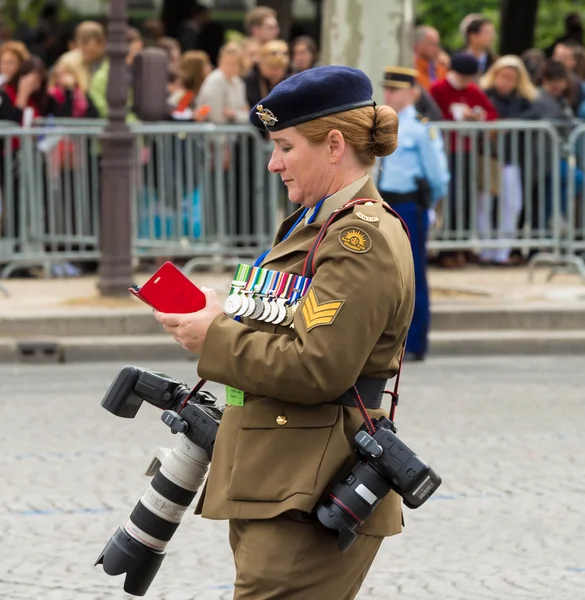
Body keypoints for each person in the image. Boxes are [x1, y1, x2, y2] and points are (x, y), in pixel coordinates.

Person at [154, 65, 415, 600]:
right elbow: (287, 319)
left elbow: (317, 365)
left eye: (285, 146)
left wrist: (214, 339)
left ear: (335, 145)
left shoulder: (356, 240)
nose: (274, 164)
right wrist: (219, 315)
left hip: (309, 485)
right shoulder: (316, 223)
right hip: (280, 477)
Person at [377, 67, 449, 361]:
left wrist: (426, 206)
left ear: (413, 93)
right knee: (385, 274)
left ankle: (415, 342)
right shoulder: (382, 123)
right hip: (386, 203)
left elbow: (438, 176)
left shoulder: (421, 128)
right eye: (387, 89)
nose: (389, 95)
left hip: (409, 204)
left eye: (395, 90)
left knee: (413, 274)